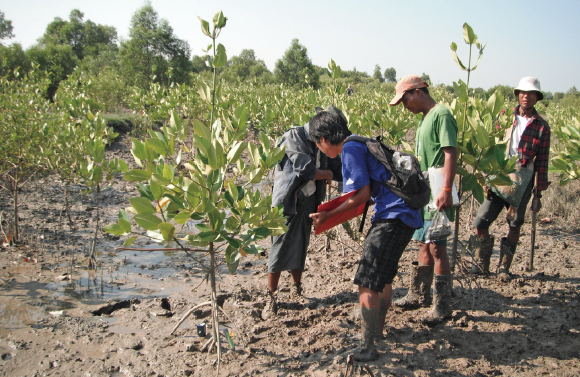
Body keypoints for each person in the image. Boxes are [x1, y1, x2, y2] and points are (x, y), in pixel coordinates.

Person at [309, 115, 422, 361]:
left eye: (318, 144)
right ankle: (377, 334)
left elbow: (361, 195)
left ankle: (366, 347)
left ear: (325, 139)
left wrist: (328, 214)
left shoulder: (349, 149)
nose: (321, 149)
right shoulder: (361, 142)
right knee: (384, 277)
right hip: (408, 214)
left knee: (367, 281)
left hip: (392, 216)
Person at [263, 105, 345, 320]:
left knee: (301, 244)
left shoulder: (323, 141)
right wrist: (326, 173)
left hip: (309, 199)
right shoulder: (294, 136)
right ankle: (270, 297)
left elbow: (338, 168)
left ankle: (296, 288)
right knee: (280, 246)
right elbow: (305, 169)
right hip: (288, 200)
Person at [389, 75, 457, 323]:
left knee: (438, 246)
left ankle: (442, 306)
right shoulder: (424, 120)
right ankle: (417, 294)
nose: (405, 106)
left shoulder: (441, 114)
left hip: (438, 187)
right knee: (423, 242)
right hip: (425, 191)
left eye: (405, 100)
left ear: (418, 92)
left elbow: (450, 153)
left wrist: (446, 190)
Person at [471, 77, 550, 281]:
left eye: (531, 93)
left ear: (536, 98)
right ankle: (482, 263)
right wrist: (486, 177)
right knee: (481, 222)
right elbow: (490, 146)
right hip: (500, 174)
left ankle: (504, 268)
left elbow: (542, 162)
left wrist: (538, 194)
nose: (526, 96)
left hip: (523, 179)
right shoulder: (505, 116)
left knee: (515, 224)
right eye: (523, 92)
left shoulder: (542, 126)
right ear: (518, 95)